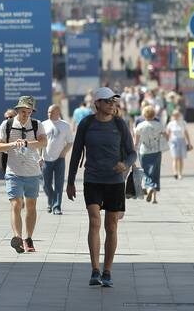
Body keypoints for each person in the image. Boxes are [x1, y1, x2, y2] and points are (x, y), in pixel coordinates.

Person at [67, 87, 136, 288]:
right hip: (93, 179)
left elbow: (132, 153)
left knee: (111, 226)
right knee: (94, 221)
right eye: (107, 101)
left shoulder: (120, 124)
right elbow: (77, 152)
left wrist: (126, 164)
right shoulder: (86, 124)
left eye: (113, 102)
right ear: (97, 103)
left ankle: (107, 271)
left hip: (115, 181)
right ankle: (95, 270)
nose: (111, 105)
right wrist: (70, 181)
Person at [0, 96, 48, 253]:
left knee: (31, 206)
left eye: (29, 111)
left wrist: (26, 143)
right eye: (23, 111)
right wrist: (13, 144)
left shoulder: (36, 125)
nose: (26, 114)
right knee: (16, 204)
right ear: (17, 110)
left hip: (32, 171)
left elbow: (43, 142)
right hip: (14, 172)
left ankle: (29, 237)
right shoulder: (7, 124)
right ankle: (18, 238)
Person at [41, 104, 74, 215]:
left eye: (51, 112)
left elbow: (70, 142)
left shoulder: (65, 125)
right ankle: (51, 200)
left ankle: (56, 207)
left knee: (59, 184)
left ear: (58, 112)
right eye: (48, 112)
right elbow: (39, 142)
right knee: (46, 184)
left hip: (59, 159)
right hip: (46, 159)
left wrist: (64, 153)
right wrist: (39, 156)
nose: (49, 114)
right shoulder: (43, 124)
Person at [133, 104, 167, 204]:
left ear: (144, 115)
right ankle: (153, 192)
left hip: (144, 151)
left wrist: (134, 149)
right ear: (153, 114)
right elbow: (166, 136)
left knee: (146, 171)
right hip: (156, 151)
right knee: (155, 172)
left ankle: (148, 188)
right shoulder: (158, 125)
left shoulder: (140, 125)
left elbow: (136, 141)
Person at [167, 109, 192, 179]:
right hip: (173, 141)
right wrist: (166, 142)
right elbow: (168, 134)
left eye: (177, 115)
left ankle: (180, 173)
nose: (176, 116)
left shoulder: (183, 123)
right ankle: (175, 172)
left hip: (182, 141)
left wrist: (189, 143)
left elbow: (186, 133)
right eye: (175, 115)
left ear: (180, 115)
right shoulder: (170, 124)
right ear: (172, 116)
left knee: (181, 158)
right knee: (175, 158)